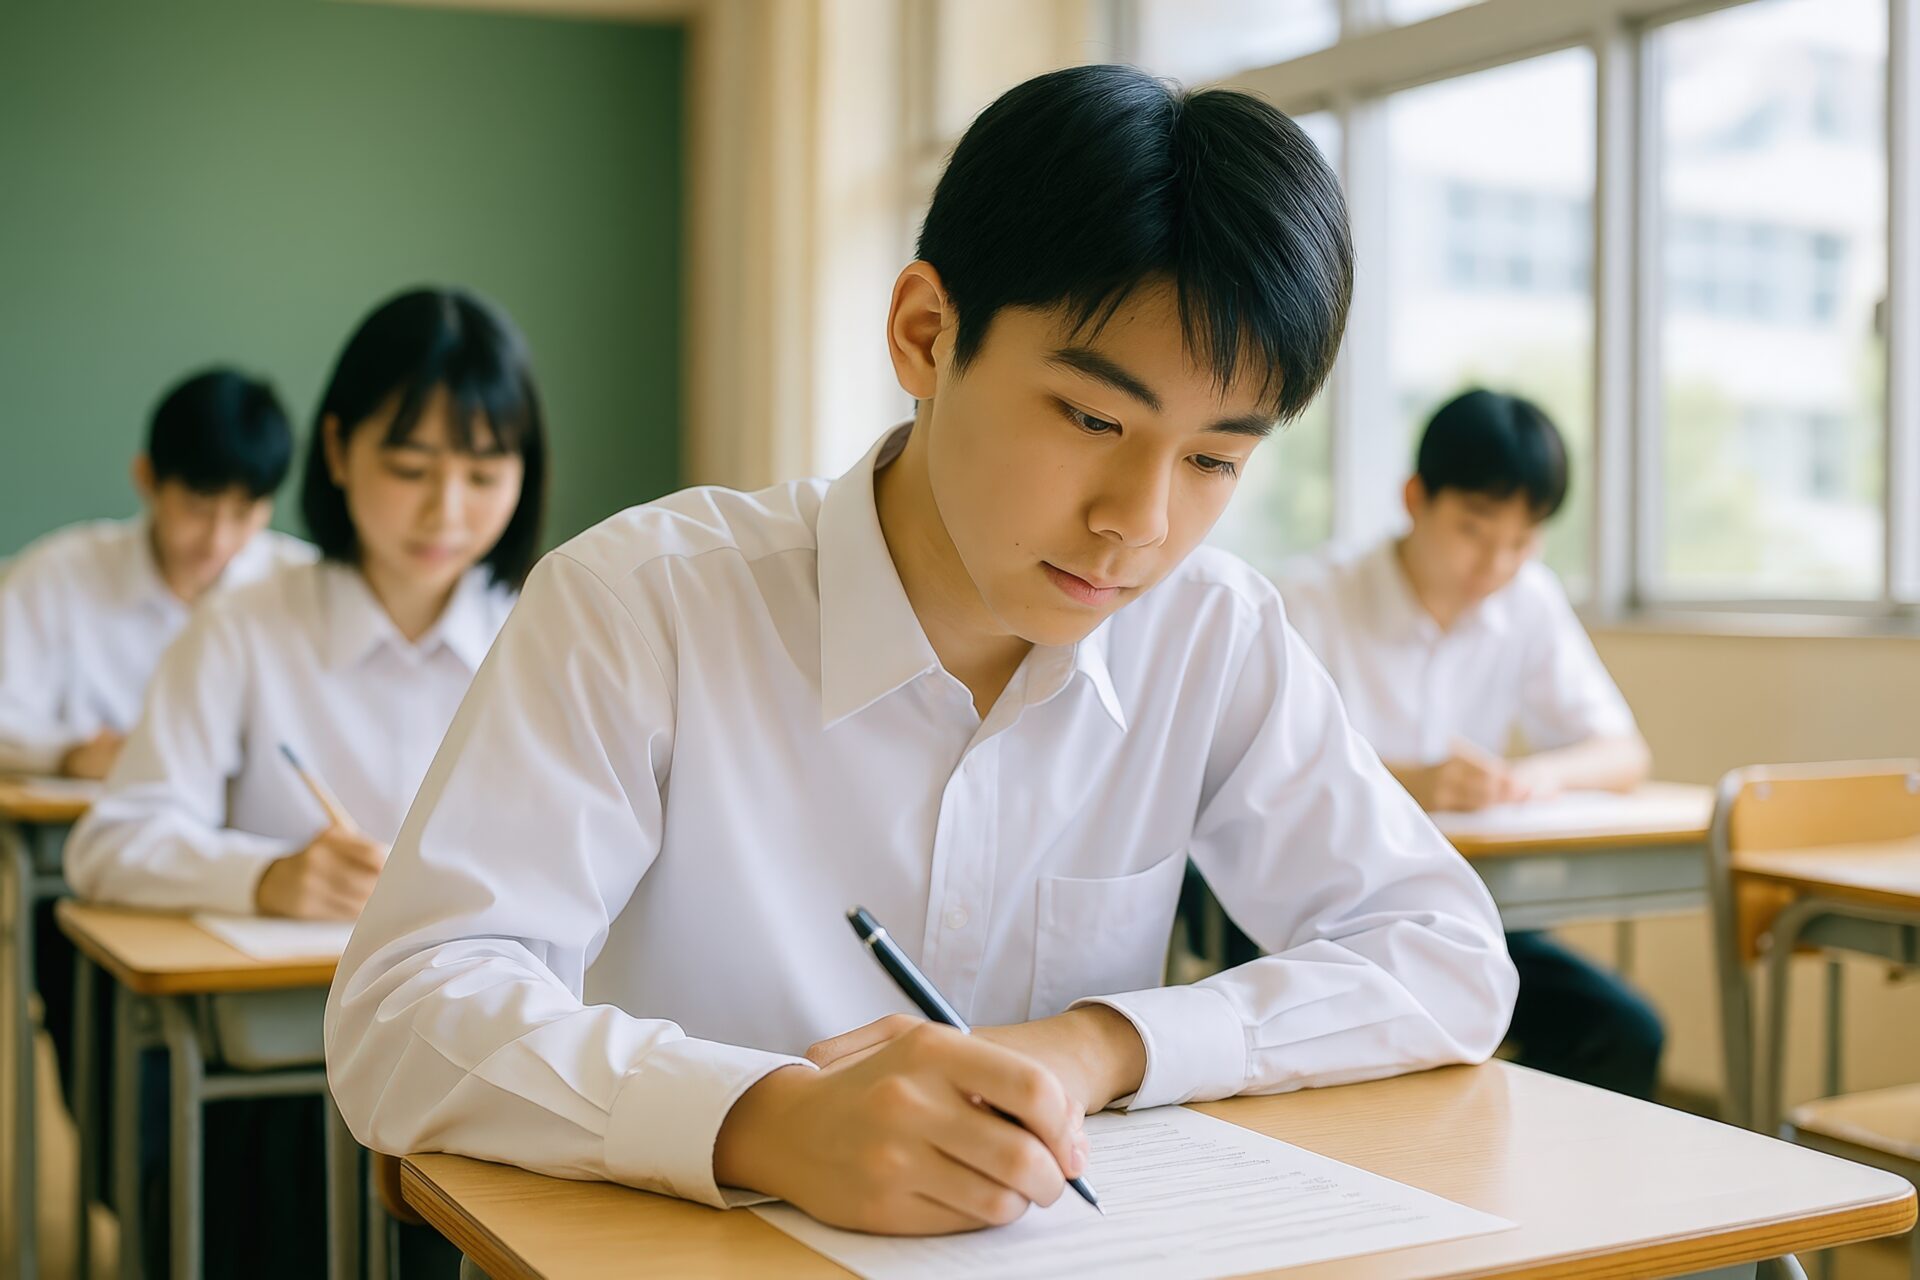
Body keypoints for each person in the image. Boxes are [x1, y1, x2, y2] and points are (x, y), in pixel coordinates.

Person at [327, 65, 1517, 1237]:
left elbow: (1447, 956)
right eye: (1093, 419)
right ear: (924, 334)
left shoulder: (1208, 630)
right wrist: (767, 1117)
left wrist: (1098, 1042)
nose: (1140, 521)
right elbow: (403, 1010)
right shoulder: (643, 604)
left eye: (1214, 459)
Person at [66, 285, 546, 1278]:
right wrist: (267, 876)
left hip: (494, 1065)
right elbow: (110, 842)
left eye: (484, 471)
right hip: (289, 1074)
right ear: (336, 452)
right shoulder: (245, 625)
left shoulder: (551, 630)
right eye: (409, 467)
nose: (445, 511)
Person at [1278, 387, 1663, 1099]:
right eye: (1474, 530)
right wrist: (1407, 781)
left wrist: (1532, 778)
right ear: (1415, 497)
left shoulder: (1529, 601)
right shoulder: (1313, 599)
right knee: (1399, 1051)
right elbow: (1263, 779)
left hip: (1454, 914)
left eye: (1522, 541)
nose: (1495, 564)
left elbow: (1622, 751)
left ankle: (1533, 1194)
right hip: (1311, 922)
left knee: (1626, 1033)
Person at [0, 368, 309, 779]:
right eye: (199, 506)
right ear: (147, 478)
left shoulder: (301, 587)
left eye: (243, 512)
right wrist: (71, 756)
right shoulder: (58, 575)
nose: (218, 540)